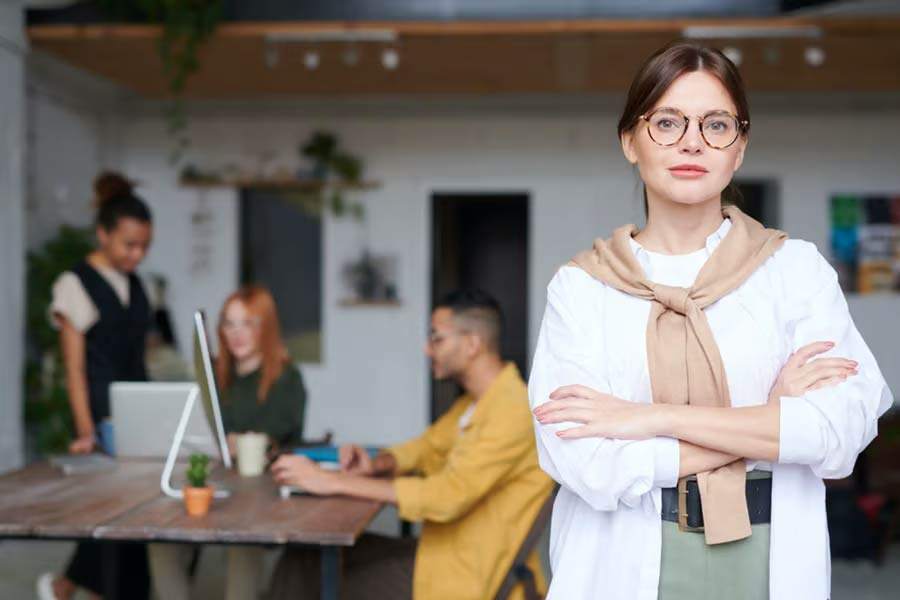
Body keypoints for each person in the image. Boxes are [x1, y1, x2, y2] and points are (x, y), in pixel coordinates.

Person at [529, 41, 893, 600]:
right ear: (630, 140)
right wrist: (769, 423)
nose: (692, 141)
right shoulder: (582, 289)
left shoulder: (794, 271)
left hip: (769, 554)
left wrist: (646, 417)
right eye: (668, 122)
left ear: (739, 146)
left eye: (716, 124)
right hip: (623, 559)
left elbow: (838, 431)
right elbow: (587, 462)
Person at [268, 290, 554, 600]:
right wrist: (378, 463)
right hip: (441, 550)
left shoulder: (511, 410)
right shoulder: (476, 403)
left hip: (466, 576)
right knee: (302, 556)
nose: (427, 349)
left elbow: (446, 497)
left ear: (472, 344)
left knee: (315, 577)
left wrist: (330, 481)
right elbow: (426, 448)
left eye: (437, 339)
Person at [148, 285, 307, 600]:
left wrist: (239, 442)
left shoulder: (288, 377)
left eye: (248, 323)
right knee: (159, 537)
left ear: (266, 327)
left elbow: (267, 437)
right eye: (229, 323)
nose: (237, 333)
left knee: (242, 540)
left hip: (262, 489)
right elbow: (207, 429)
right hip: (215, 480)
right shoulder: (216, 375)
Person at [38, 171, 154, 600]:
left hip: (139, 410)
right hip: (100, 415)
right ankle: (71, 587)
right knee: (110, 516)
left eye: (144, 245)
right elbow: (74, 368)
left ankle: (68, 587)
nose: (137, 254)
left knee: (138, 513)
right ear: (103, 234)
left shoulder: (136, 283)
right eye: (129, 244)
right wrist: (86, 432)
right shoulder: (74, 285)